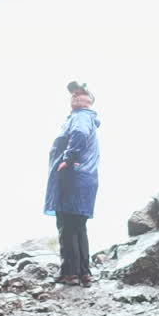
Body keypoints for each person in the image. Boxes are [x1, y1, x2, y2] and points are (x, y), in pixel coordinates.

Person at [44, 81, 100, 286]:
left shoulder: (80, 117)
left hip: (73, 177)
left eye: (82, 94)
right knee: (78, 226)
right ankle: (84, 272)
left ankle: (70, 273)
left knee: (66, 224)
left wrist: (68, 158)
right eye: (73, 94)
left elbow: (79, 134)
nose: (76, 96)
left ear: (90, 101)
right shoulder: (89, 119)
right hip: (86, 179)